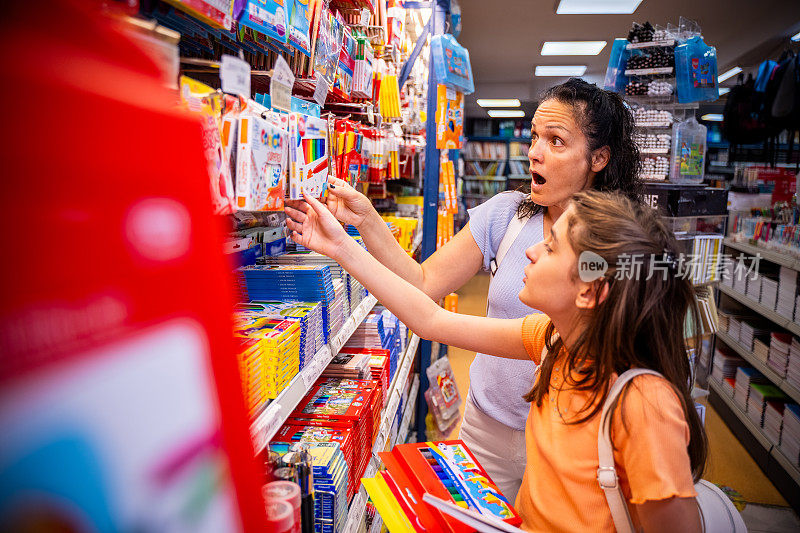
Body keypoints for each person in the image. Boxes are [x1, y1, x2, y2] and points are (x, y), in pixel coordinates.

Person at [289, 78, 642, 502]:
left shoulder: (617, 251)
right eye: (534, 137)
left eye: (556, 141)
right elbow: (424, 288)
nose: (534, 152)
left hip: (568, 439)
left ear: (599, 158)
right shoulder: (506, 215)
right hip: (485, 428)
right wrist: (364, 223)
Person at [285, 189, 707, 532]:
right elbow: (431, 319)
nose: (531, 253)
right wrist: (340, 246)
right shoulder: (553, 341)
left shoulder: (644, 404)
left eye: (551, 247)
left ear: (588, 291)